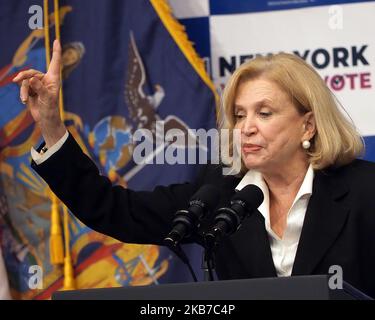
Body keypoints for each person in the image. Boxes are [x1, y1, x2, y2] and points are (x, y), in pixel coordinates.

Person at [13, 40, 375, 298]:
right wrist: (51, 124)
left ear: (307, 126)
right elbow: (117, 212)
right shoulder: (218, 192)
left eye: (264, 113)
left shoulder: (364, 191)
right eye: (238, 115)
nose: (246, 127)